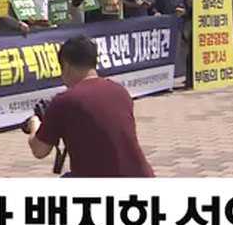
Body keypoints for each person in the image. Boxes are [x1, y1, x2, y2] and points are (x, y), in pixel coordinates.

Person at [22, 36, 154, 177]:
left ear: (66, 66)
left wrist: (34, 123)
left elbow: (39, 151)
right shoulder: (119, 91)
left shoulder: (64, 100)